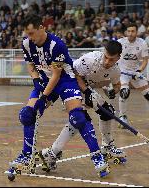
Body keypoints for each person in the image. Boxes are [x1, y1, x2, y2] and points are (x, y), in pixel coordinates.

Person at [8, 15, 109, 177]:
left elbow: (56, 75)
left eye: (32, 33)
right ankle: (27, 155)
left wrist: (43, 98)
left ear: (42, 28)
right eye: (27, 34)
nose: (30, 37)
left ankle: (97, 156)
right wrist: (35, 81)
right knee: (28, 115)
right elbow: (31, 66)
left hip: (64, 80)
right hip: (44, 81)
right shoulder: (27, 44)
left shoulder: (57, 45)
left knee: (78, 117)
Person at [40, 40, 127, 170]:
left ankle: (107, 145)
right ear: (103, 53)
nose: (107, 62)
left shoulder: (115, 70)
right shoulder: (91, 59)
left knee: (106, 112)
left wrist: (112, 92)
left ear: (118, 58)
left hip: (86, 88)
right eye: (106, 57)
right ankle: (52, 152)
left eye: (111, 60)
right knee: (81, 117)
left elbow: (117, 85)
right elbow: (74, 74)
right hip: (69, 82)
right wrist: (87, 91)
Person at [117, 24, 149, 127]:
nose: (130, 33)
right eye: (128, 31)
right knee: (124, 92)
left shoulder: (142, 43)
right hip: (123, 73)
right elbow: (113, 55)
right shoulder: (120, 43)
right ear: (126, 32)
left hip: (136, 72)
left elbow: (145, 60)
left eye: (133, 31)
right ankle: (122, 117)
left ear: (137, 32)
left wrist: (139, 71)